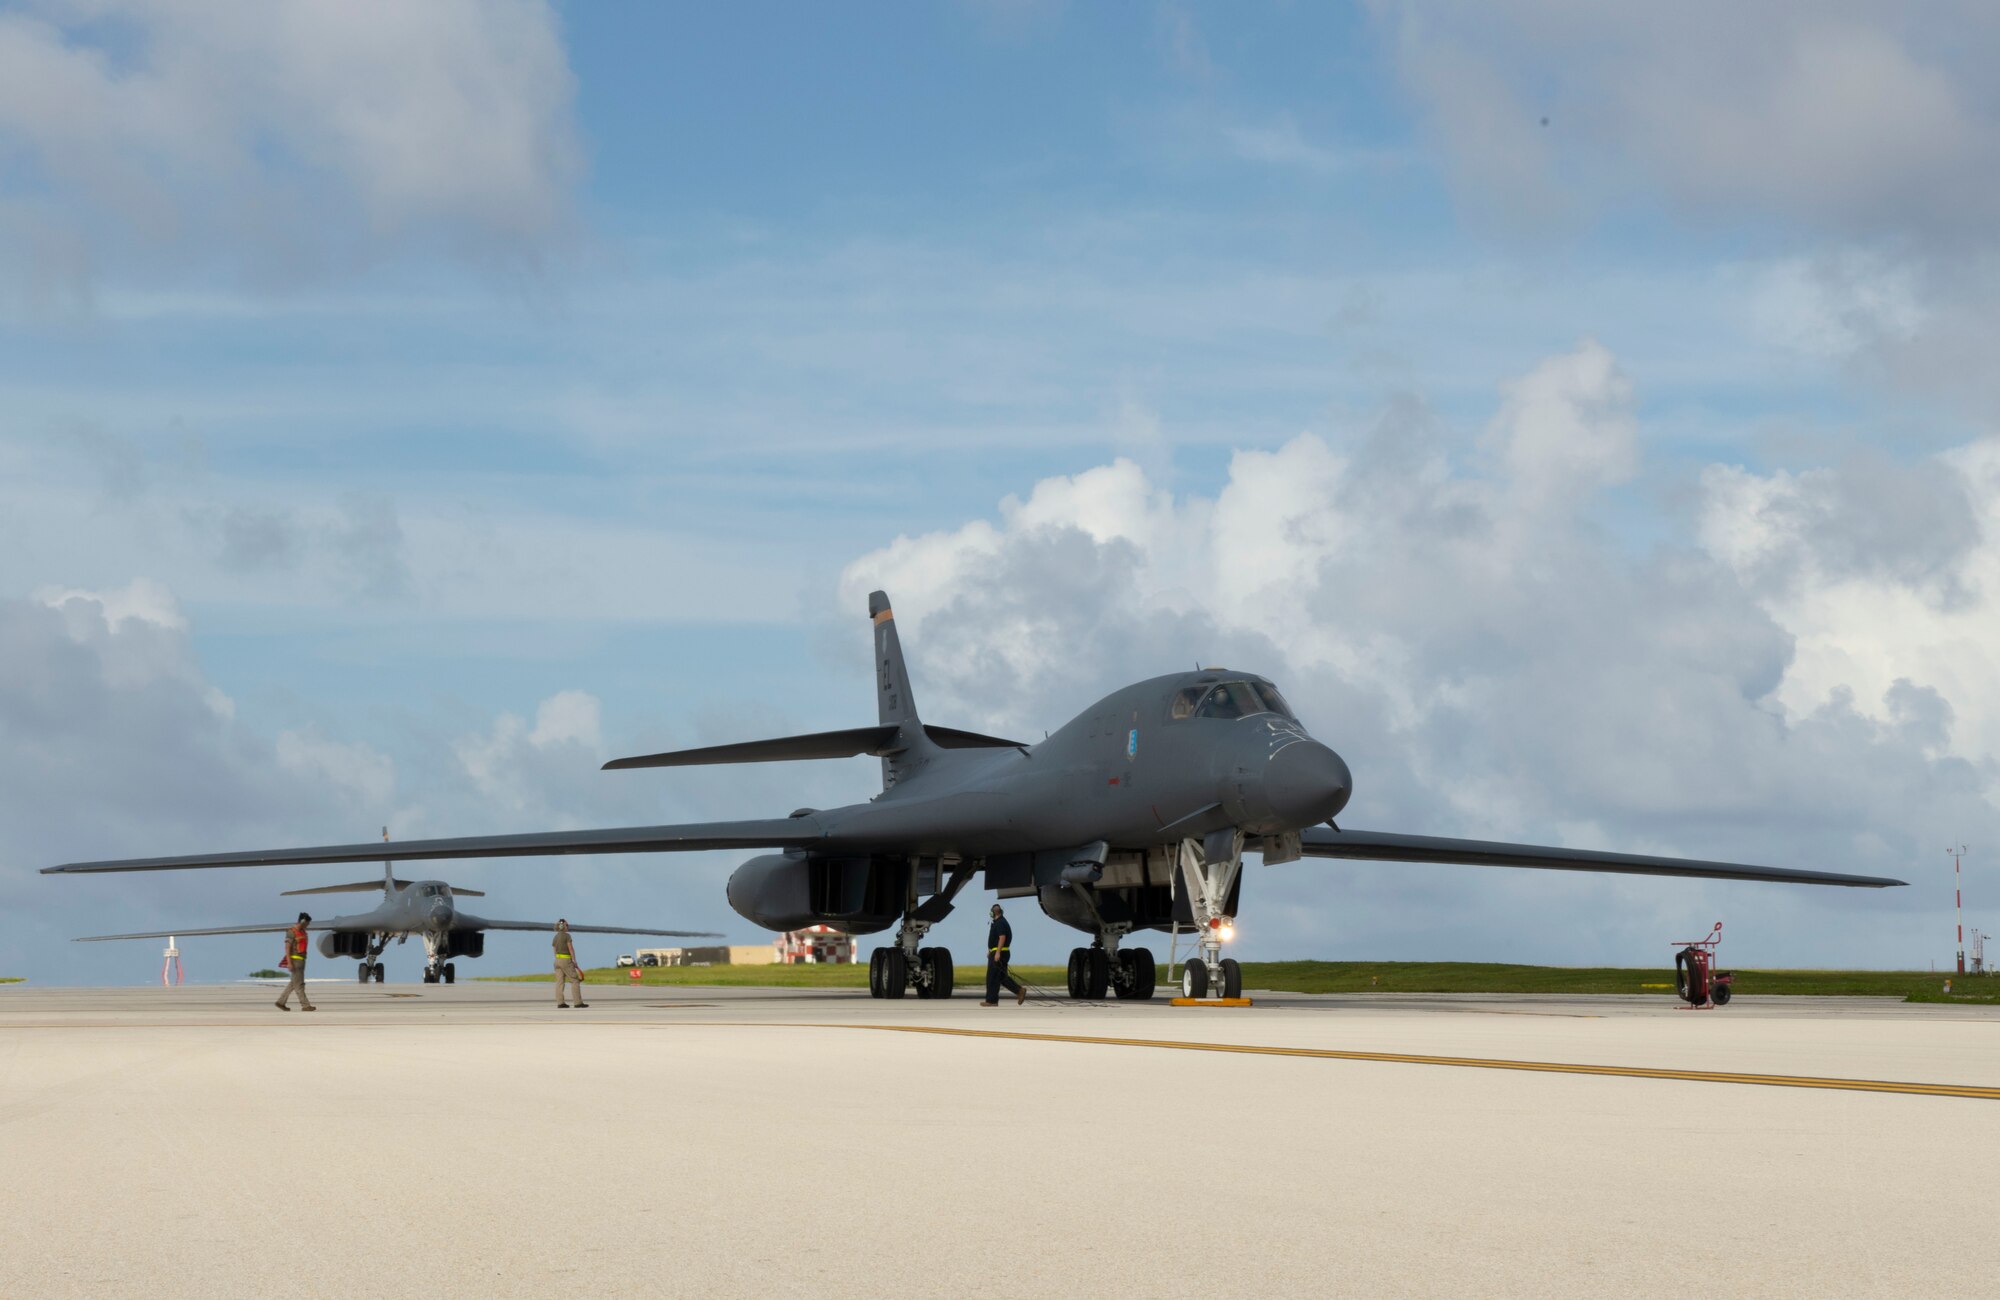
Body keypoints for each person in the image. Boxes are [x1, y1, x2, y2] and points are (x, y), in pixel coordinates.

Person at [982, 903, 1026, 1007]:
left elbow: (1002, 937)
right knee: (1001, 977)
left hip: (999, 953)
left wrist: (997, 952)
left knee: (992, 977)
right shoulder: (1000, 922)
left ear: (993, 913)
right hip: (999, 951)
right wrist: (991, 950)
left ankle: (991, 1001)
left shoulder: (1000, 923)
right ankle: (1019, 991)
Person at [276, 913, 315, 1012]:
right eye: (307, 923)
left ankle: (281, 1002)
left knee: (293, 983)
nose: (308, 925)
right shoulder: (292, 932)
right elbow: (287, 948)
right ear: (303, 921)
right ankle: (305, 1005)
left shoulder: (302, 932)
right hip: (295, 961)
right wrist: (289, 963)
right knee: (299, 985)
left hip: (301, 961)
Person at [554, 919, 588, 1009]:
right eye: (567, 925)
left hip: (557, 961)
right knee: (574, 980)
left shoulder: (555, 937)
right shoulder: (567, 936)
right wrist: (574, 960)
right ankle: (578, 1002)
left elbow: (554, 950)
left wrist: (558, 959)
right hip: (566, 960)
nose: (568, 926)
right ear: (564, 926)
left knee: (559, 982)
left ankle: (560, 1002)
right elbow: (571, 949)